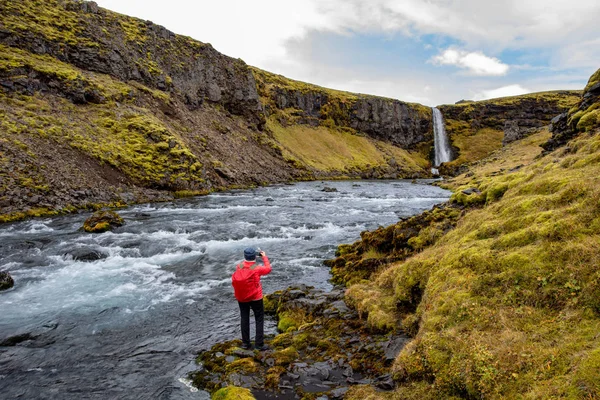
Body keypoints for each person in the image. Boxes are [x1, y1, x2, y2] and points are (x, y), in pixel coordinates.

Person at [231, 247, 272, 350]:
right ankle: (259, 344)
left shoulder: (239, 266)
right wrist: (264, 257)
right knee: (259, 319)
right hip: (255, 297)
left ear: (245, 256)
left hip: (242, 297)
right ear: (255, 256)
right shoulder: (256, 268)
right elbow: (268, 269)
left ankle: (245, 344)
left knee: (244, 318)